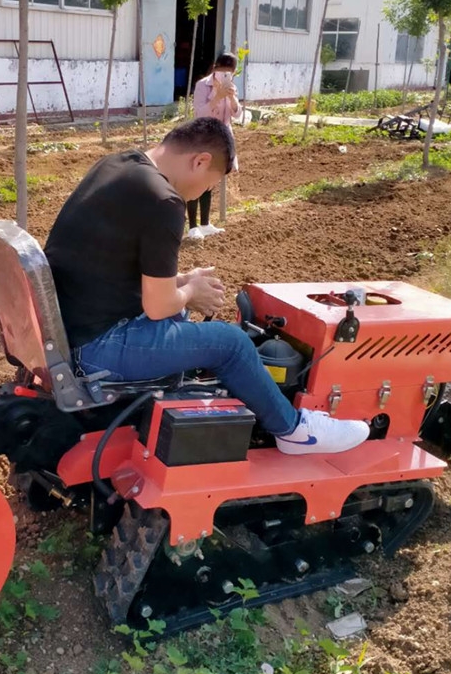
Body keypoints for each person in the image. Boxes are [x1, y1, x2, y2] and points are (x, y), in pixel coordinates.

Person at [45, 118, 370, 455]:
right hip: (99, 348)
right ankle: (292, 430)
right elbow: (157, 307)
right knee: (231, 343)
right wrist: (191, 292)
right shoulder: (163, 200)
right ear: (199, 161)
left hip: (74, 331)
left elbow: (109, 261)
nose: (203, 194)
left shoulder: (118, 165)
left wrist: (182, 283)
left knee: (182, 310)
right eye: (209, 185)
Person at [185, 53, 242, 241]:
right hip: (204, 136)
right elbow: (200, 113)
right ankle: (192, 226)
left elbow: (236, 115)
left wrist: (232, 99)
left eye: (230, 72)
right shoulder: (203, 85)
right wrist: (217, 97)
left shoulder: (231, 87)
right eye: (222, 71)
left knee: (210, 181)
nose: (225, 75)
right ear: (215, 68)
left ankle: (205, 223)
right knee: (197, 180)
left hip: (221, 138)